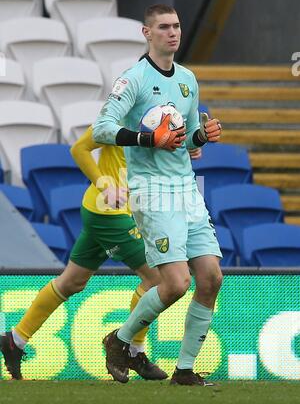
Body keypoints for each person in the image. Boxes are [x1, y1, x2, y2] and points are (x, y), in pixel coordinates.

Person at [0, 125, 201, 382]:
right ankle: (132, 349)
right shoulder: (114, 121)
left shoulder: (156, 120)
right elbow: (79, 148)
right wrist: (104, 185)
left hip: (118, 211)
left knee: (71, 282)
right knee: (160, 279)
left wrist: (187, 149)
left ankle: (15, 340)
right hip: (108, 213)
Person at [92, 4, 223, 386]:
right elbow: (102, 129)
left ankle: (183, 371)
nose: (173, 32)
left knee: (211, 277)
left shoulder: (187, 79)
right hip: (150, 189)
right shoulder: (132, 79)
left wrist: (204, 135)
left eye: (177, 26)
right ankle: (119, 340)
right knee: (177, 283)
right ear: (146, 33)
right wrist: (149, 138)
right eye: (163, 27)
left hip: (186, 187)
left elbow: (187, 139)